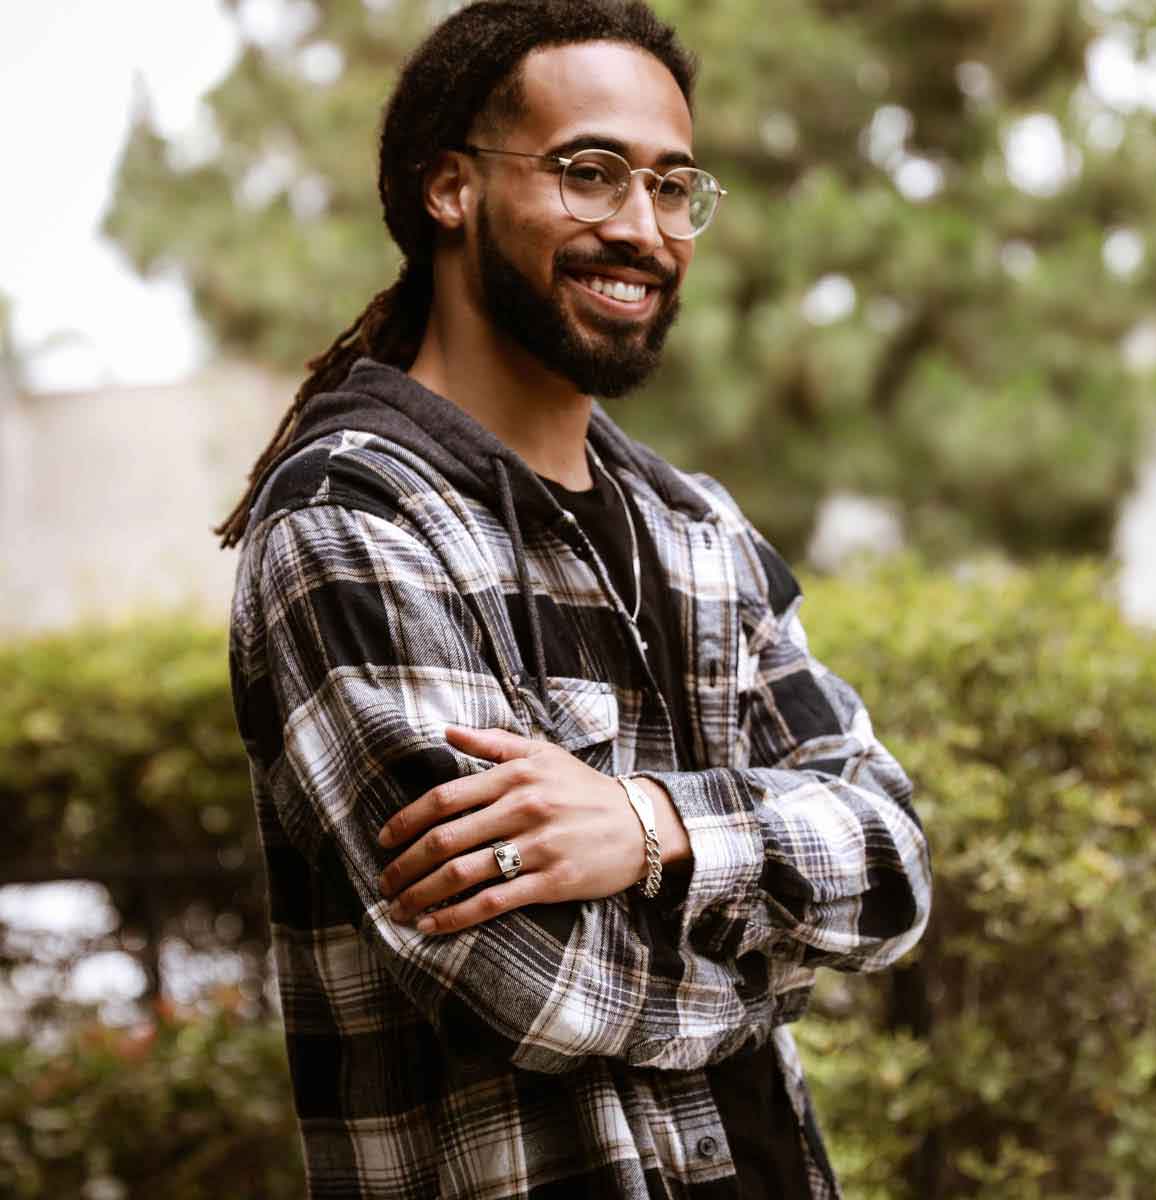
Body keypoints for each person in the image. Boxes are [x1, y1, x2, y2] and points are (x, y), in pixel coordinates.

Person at [220, 2, 932, 1197]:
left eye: (671, 186)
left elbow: (898, 860)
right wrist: (781, 946)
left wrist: (650, 831)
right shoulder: (353, 524)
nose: (641, 229)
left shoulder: (698, 527)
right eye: (589, 174)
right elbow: (525, 980)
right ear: (450, 188)